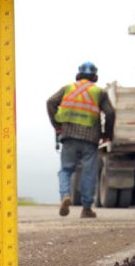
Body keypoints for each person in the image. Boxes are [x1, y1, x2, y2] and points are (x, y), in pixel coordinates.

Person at [47, 61, 115, 218]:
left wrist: (57, 125)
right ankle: (86, 209)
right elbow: (110, 113)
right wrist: (107, 134)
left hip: (68, 135)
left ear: (79, 74)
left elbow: (50, 102)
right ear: (94, 76)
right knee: (89, 173)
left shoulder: (67, 88)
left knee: (65, 170)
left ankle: (65, 195)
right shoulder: (100, 92)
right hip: (90, 139)